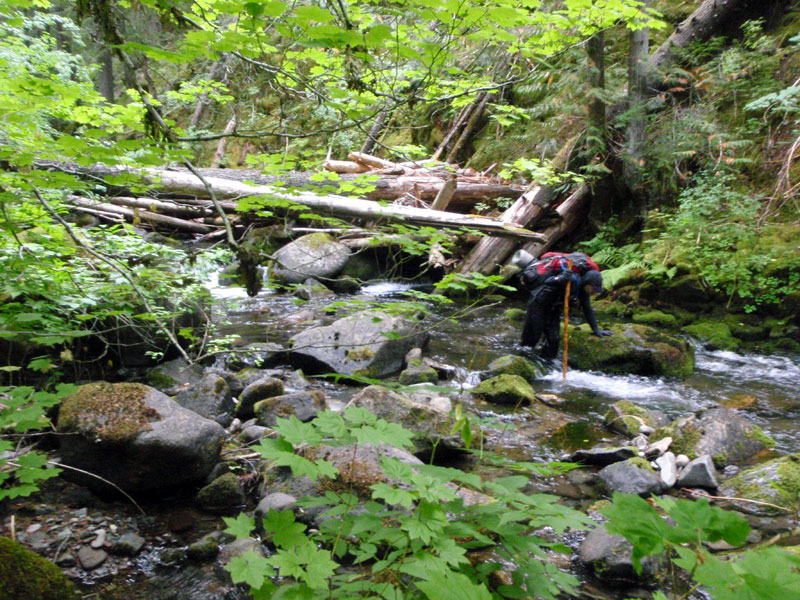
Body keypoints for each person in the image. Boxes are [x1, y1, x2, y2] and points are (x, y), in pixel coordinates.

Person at [520, 267, 612, 358]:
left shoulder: (583, 290)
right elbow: (548, 281)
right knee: (532, 338)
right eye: (593, 288)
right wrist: (560, 278)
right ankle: (522, 360)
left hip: (553, 309)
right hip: (538, 304)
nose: (594, 291)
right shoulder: (571, 278)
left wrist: (595, 329)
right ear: (588, 282)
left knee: (553, 341)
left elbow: (587, 309)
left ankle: (548, 364)